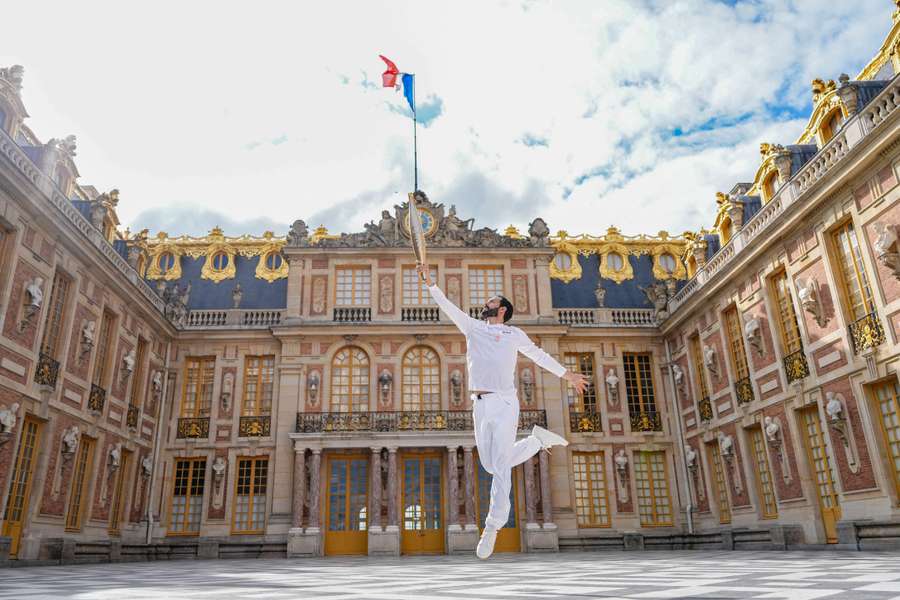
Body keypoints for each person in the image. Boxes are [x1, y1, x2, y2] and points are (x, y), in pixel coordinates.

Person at [417, 264, 587, 559]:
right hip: (479, 404)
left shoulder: (513, 334)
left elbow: (539, 354)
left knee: (501, 467)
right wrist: (431, 283)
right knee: (492, 464)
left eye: (491, 301)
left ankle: (492, 526)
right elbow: (448, 307)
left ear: (503, 309)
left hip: (506, 402)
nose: (486, 304)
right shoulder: (473, 327)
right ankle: (537, 441)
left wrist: (566, 375)